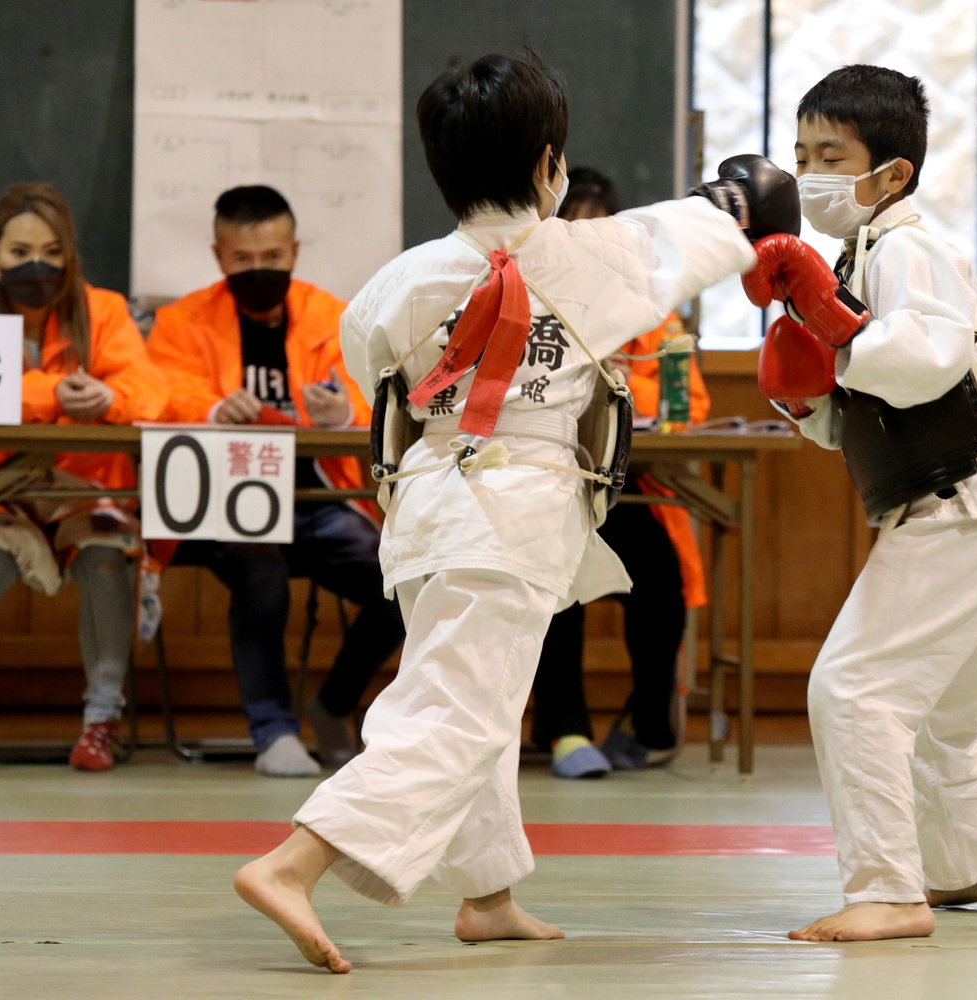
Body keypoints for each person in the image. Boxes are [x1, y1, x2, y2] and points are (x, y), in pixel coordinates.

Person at [232, 50, 787, 972]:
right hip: (515, 509)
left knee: (477, 692)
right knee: (459, 706)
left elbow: (371, 366)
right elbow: (709, 224)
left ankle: (488, 896)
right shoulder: (594, 255)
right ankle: (296, 863)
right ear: (548, 165)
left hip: (423, 509)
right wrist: (737, 198)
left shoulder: (397, 281)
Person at [746, 65, 977, 942]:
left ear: (892, 171)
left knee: (853, 689)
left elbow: (926, 363)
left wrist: (832, 329)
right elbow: (858, 416)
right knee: (943, 711)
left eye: (832, 155)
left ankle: (888, 891)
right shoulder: (859, 257)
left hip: (964, 497)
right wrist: (805, 394)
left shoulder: (909, 250)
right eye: (801, 154)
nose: (811, 172)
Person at [147, 185, 404, 776]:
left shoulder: (332, 316)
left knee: (399, 580)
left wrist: (344, 413)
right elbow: (156, 392)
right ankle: (273, 732)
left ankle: (332, 704)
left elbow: (376, 394)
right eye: (242, 259)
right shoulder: (182, 321)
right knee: (260, 573)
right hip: (222, 503)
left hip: (316, 500)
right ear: (219, 256)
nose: (258, 270)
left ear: (294, 252)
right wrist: (212, 409)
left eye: (272, 257)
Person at [0, 182, 169, 771]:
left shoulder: (102, 309)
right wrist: (50, 394)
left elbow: (150, 391)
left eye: (52, 252)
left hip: (82, 488)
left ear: (69, 255)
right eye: (19, 252)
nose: (36, 266)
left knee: (108, 549)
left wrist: (110, 397)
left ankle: (101, 720)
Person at [531, 168, 711, 779]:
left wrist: (624, 387)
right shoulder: (525, 296)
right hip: (545, 480)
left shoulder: (646, 308)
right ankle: (564, 728)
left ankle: (647, 720)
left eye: (597, 232)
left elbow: (689, 405)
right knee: (556, 578)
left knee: (660, 578)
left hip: (623, 488)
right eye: (571, 231)